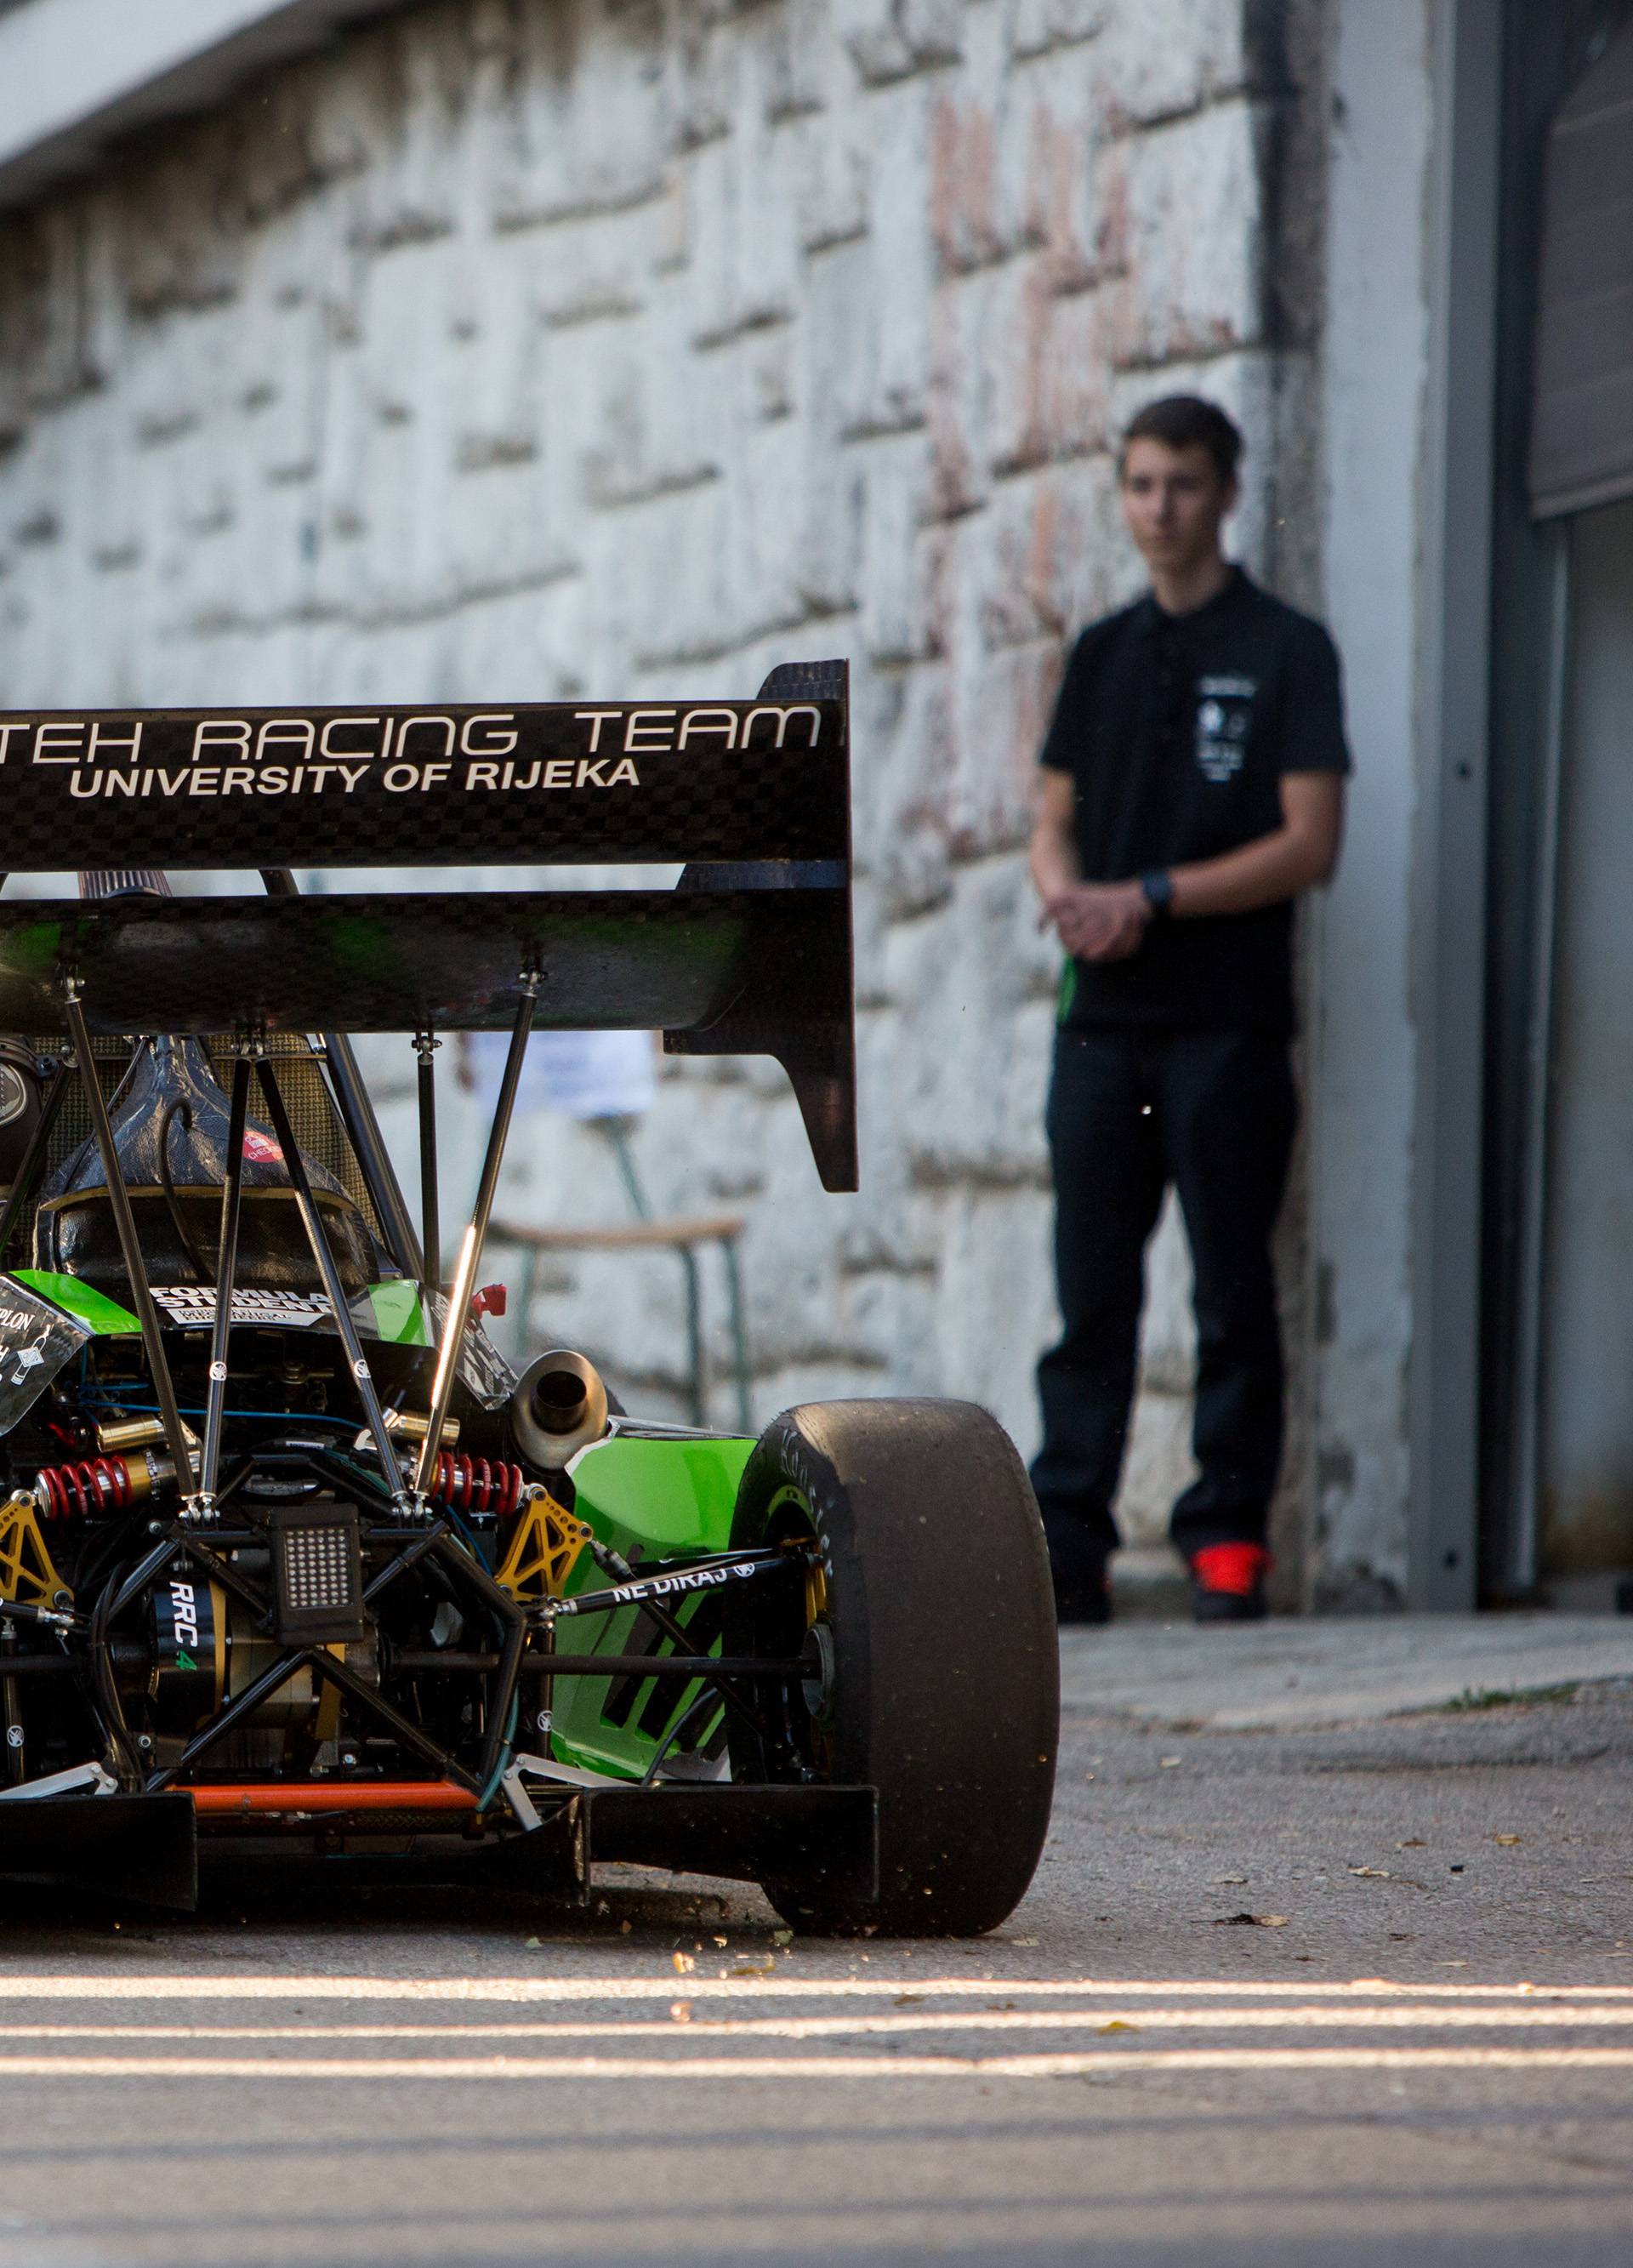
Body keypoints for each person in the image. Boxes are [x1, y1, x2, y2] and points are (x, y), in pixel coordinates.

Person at [1028, 396, 1349, 1626]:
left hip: (1227, 1022)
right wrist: (1071, 899)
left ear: (1226, 492)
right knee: (1091, 1293)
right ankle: (1071, 1544)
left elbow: (1311, 841)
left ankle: (1226, 1540)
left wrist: (1152, 895)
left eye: (1183, 483)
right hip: (1101, 1023)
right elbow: (1050, 817)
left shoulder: (1286, 648)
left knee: (1229, 1287)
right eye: (1141, 483)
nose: (1159, 507)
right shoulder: (1102, 652)